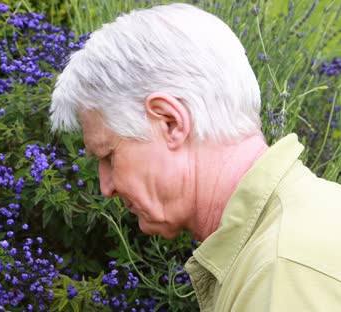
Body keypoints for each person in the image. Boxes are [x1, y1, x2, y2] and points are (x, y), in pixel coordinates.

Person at [49, 3, 341, 311]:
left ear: (170, 122)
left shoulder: (282, 272)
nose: (106, 186)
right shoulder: (296, 228)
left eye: (108, 156)